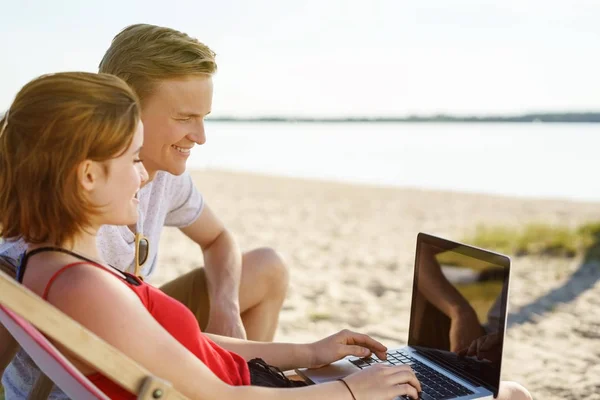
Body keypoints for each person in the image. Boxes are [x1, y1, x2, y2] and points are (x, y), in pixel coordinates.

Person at [0, 71, 422, 400]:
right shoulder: (84, 286)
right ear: (88, 175)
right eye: (132, 158)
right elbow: (218, 396)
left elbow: (185, 348)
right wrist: (351, 391)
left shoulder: (50, 264)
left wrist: (310, 353)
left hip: (257, 380)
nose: (143, 173)